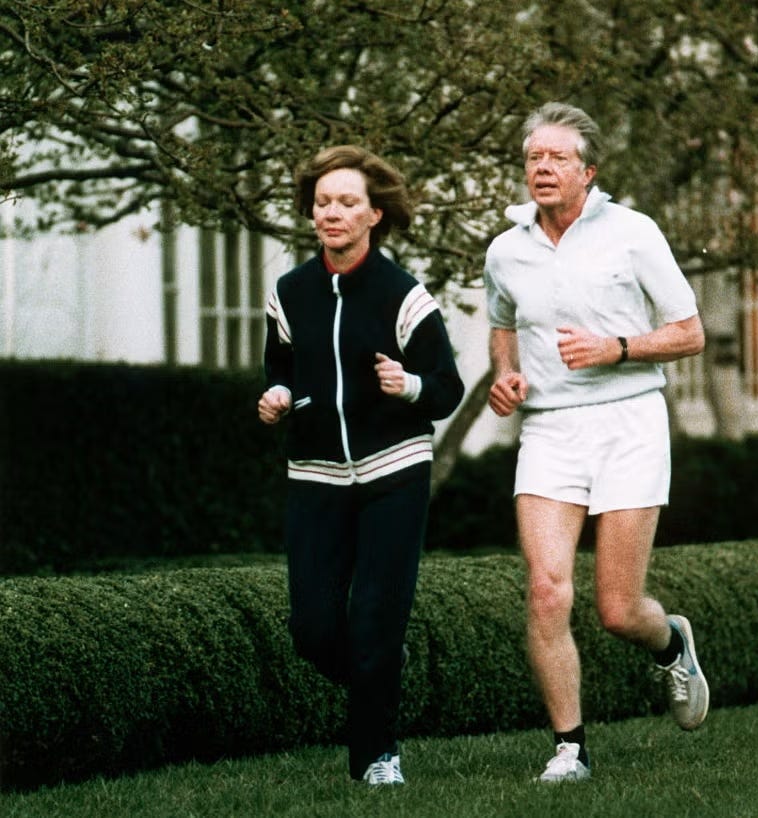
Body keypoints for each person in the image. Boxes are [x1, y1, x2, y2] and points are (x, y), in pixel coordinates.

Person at [484, 102, 709, 783]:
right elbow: (500, 321)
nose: (542, 168)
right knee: (546, 592)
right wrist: (504, 375)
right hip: (550, 428)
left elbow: (689, 332)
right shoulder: (505, 248)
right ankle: (570, 749)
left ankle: (669, 641)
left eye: (557, 158)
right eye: (533, 158)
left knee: (616, 609)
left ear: (589, 171)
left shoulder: (633, 233)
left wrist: (616, 348)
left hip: (628, 421)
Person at [258, 145, 464, 786]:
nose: (332, 213)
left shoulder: (404, 295)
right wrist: (278, 396)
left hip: (394, 472)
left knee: (374, 615)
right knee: (312, 630)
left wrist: (408, 387)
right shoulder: (289, 293)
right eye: (322, 202)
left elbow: (448, 389)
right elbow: (280, 368)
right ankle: (381, 670)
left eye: (347, 202)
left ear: (374, 214)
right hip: (316, 477)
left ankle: (377, 757)